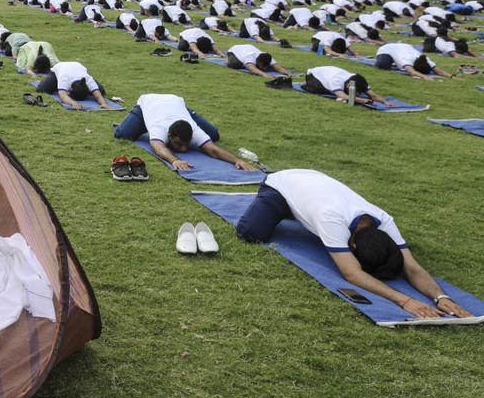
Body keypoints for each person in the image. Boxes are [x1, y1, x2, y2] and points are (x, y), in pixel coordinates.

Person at [234, 169, 472, 319]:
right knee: (251, 233)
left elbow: (412, 267)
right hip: (282, 184)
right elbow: (352, 274)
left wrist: (441, 297)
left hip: (318, 184)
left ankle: (302, 209)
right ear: (353, 245)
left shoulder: (384, 220)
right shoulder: (330, 218)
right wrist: (405, 300)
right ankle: (284, 208)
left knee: (315, 221)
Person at [113, 93, 257, 171]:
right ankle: (140, 122)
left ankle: (187, 114)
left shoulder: (194, 130)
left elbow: (213, 149)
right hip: (149, 103)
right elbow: (158, 147)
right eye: (178, 144)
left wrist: (237, 160)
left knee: (213, 135)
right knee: (122, 135)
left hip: (176, 103)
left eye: (186, 145)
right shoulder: (160, 128)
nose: (183, 149)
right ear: (169, 135)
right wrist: (175, 160)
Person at [35, 61, 116, 110]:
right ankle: (55, 84)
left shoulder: (87, 79)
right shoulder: (64, 78)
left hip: (78, 67)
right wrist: (72, 102)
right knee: (42, 89)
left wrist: (104, 104)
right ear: (70, 91)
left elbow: (98, 95)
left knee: (101, 91)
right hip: (59, 69)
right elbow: (63, 96)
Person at [302, 65, 394, 106]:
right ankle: (307, 83)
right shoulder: (335, 80)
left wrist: (384, 101)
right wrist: (361, 100)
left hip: (330, 71)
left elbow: (372, 95)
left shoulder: (358, 80)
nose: (357, 93)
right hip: (314, 74)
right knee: (320, 89)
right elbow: (341, 95)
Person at [375, 42, 452, 79]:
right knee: (383, 65)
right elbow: (412, 72)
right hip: (387, 48)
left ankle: (395, 61)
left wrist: (452, 77)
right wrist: (425, 77)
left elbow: (439, 71)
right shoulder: (406, 60)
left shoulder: (425, 60)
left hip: (405, 46)